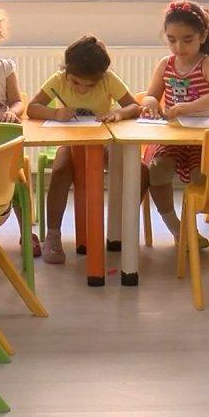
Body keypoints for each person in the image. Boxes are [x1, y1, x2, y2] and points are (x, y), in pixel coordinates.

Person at [138, 1, 209, 251]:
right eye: (171, 40)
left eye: (187, 40)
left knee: (205, 177)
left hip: (201, 139)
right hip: (171, 137)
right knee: (157, 170)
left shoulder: (207, 64)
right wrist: (150, 103)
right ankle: (179, 230)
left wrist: (188, 107)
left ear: (202, 36)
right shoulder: (166, 64)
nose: (179, 47)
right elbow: (151, 95)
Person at [25, 36, 141, 265]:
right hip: (70, 143)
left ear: (101, 77)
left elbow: (134, 106)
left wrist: (118, 113)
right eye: (76, 82)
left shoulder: (108, 80)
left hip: (103, 143)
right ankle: (53, 235)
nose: (82, 89)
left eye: (90, 85)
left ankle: (120, 230)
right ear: (66, 71)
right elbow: (32, 108)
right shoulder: (59, 80)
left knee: (137, 170)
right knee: (60, 171)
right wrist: (55, 114)